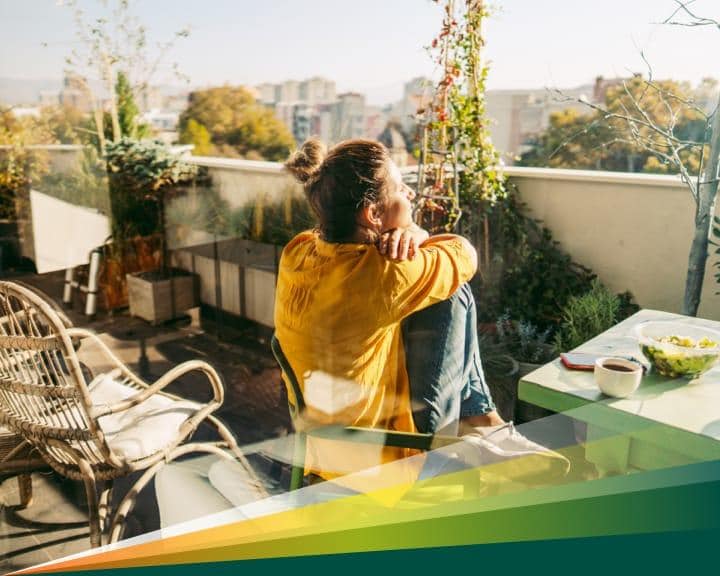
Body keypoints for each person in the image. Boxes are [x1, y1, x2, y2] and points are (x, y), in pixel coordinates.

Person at [275, 137, 569, 485]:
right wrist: (414, 233)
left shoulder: (298, 252)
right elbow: (465, 256)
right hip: (383, 465)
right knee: (453, 293)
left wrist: (407, 230)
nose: (411, 195)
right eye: (402, 189)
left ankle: (485, 422)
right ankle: (482, 423)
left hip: (321, 449)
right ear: (372, 213)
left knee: (434, 292)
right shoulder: (385, 275)